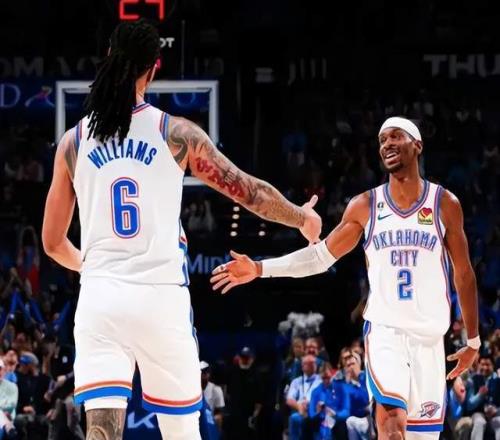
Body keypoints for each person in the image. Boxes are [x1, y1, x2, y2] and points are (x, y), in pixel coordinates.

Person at [41, 19, 321, 440]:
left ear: (108, 58)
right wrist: (302, 216)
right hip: (161, 297)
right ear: (154, 68)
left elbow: (51, 242)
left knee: (101, 432)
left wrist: (96, 268)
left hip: (101, 297)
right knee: (182, 432)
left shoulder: (73, 142)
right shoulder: (176, 133)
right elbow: (249, 192)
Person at [211, 116, 480, 439]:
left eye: (396, 136)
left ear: (417, 145)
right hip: (386, 334)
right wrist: (259, 268)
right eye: (382, 140)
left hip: (430, 339)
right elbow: (319, 257)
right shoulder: (366, 205)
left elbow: (464, 275)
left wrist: (473, 340)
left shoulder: (444, 204)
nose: (387, 144)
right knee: (392, 426)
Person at [286, 354, 321, 440]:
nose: (312, 365)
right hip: (300, 411)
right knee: (295, 418)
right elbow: (289, 399)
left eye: (314, 363)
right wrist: (299, 407)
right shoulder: (296, 382)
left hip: (316, 411)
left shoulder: (321, 380)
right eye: (308, 363)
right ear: (302, 366)